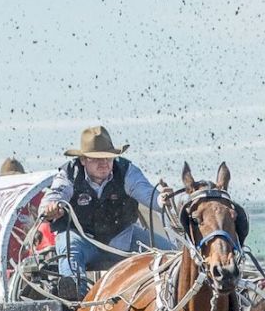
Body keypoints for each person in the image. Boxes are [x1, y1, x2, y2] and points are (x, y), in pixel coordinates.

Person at [39, 126, 170, 298]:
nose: (105, 163)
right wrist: (51, 207)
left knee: (172, 254)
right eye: (97, 158)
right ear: (83, 160)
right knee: (69, 245)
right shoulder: (69, 174)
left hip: (123, 238)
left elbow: (149, 195)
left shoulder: (126, 171)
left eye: (109, 157)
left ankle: (170, 300)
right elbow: (53, 197)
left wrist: (163, 199)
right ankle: (75, 298)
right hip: (81, 239)